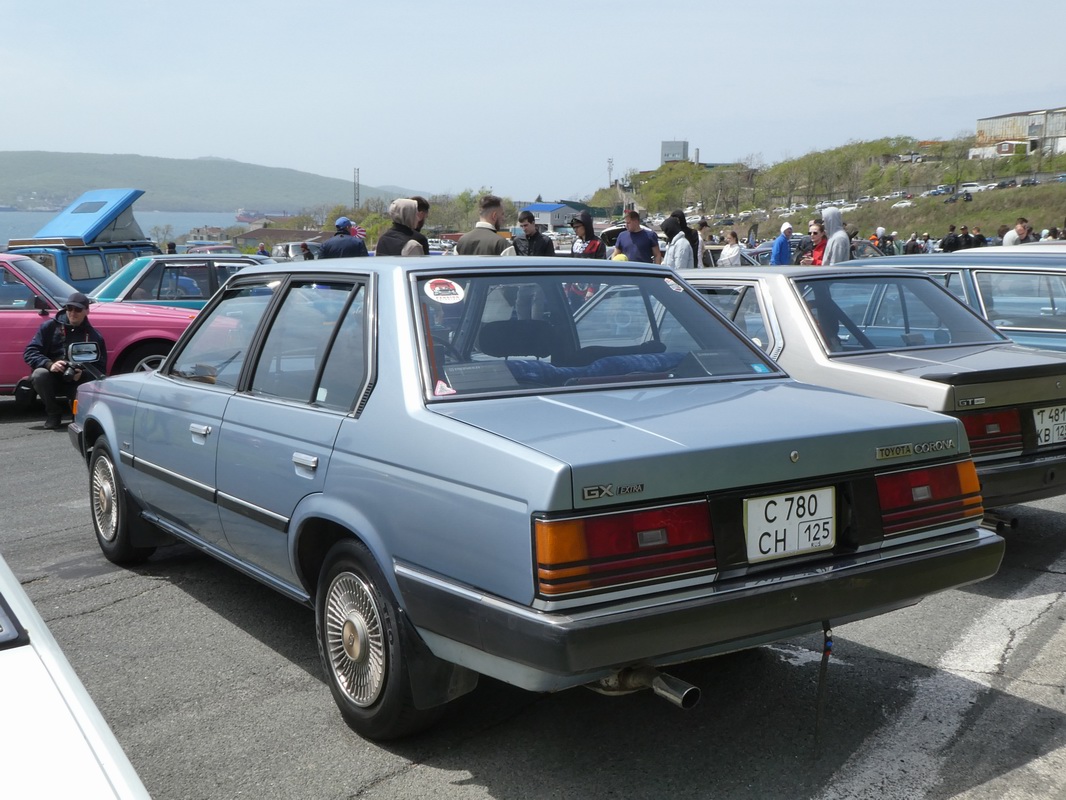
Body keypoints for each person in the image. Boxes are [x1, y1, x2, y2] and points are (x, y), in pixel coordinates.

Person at [23, 292, 106, 429]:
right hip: (53, 377)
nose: (73, 313)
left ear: (87, 311)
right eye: (69, 308)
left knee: (79, 422)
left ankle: (76, 412)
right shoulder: (49, 327)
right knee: (39, 374)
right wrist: (50, 364)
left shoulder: (93, 335)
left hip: (77, 380)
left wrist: (83, 373)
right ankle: (53, 413)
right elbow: (30, 352)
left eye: (78, 309)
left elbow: (101, 369)